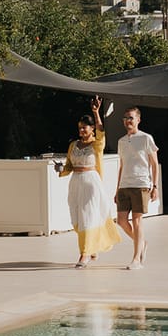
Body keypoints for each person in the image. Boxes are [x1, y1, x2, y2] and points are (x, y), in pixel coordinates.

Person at [55, 94, 121, 268]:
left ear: (92, 129)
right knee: (76, 217)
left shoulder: (96, 145)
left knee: (87, 217)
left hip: (91, 182)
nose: (81, 130)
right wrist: (61, 169)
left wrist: (96, 112)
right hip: (75, 183)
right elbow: (69, 165)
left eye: (84, 127)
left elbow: (101, 131)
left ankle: (84, 254)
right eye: (80, 128)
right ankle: (92, 246)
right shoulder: (73, 145)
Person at [116, 107, 158, 270]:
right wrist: (117, 189)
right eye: (125, 117)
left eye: (131, 117)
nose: (128, 120)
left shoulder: (146, 138)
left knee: (137, 220)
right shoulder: (121, 141)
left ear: (138, 120)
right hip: (124, 185)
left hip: (141, 184)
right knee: (121, 220)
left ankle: (136, 260)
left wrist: (155, 186)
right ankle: (142, 243)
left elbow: (154, 164)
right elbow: (121, 166)